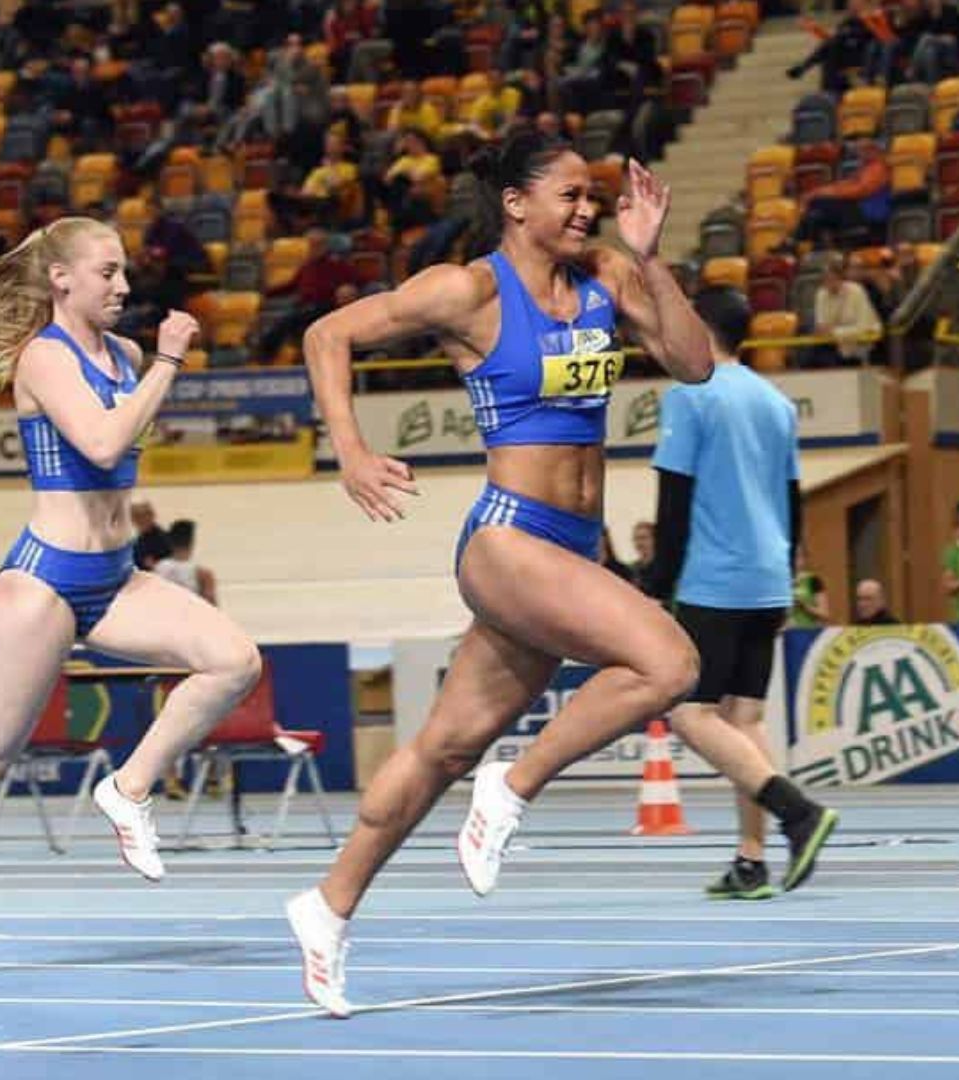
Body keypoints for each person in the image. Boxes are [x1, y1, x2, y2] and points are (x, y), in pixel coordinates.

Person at [287, 133, 717, 1018]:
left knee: (442, 748)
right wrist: (352, 451)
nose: (587, 209)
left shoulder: (606, 274)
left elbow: (695, 363)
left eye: (593, 196)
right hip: (510, 538)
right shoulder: (468, 288)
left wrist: (650, 255)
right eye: (569, 195)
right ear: (517, 204)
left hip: (572, 548)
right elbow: (327, 332)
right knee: (670, 664)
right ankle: (514, 783)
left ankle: (326, 908)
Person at [0, 217, 263, 980]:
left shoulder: (126, 355)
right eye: (107, 272)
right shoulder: (45, 357)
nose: (124, 286)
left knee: (234, 661)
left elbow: (118, 456)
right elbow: (105, 444)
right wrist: (170, 364)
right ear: (61, 280)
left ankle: (129, 786)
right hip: (44, 583)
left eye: (125, 272)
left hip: (115, 576)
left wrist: (150, 366)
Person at [641, 288, 839, 902]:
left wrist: (655, 588)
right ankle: (751, 860)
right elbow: (794, 503)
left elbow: (673, 504)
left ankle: (796, 810)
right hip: (768, 576)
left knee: (687, 713)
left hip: (713, 578)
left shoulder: (691, 395)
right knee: (743, 719)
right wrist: (784, 576)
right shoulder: (776, 402)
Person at [154, 518, 218, 605]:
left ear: (171, 543)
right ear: (191, 543)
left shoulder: (158, 569)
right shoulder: (202, 573)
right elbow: (212, 610)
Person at [789, 542, 829, 628]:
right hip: (788, 631)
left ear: (804, 558)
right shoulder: (781, 582)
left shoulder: (813, 580)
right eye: (793, 556)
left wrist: (805, 606)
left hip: (809, 632)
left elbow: (825, 613)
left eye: (799, 556)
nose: (796, 560)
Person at [130, 499, 173, 570]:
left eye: (144, 515)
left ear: (152, 515)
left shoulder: (165, 539)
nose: (141, 520)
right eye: (136, 516)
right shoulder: (137, 541)